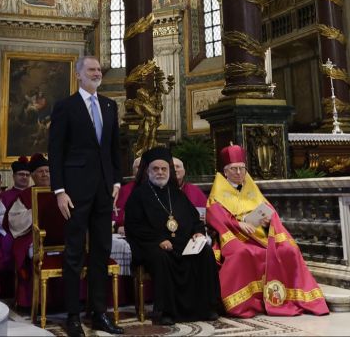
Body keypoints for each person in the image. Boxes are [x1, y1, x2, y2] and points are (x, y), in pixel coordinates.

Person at [48, 55, 124, 337]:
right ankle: (72, 317)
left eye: (99, 69)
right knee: (74, 253)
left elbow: (115, 148)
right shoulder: (65, 106)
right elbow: (55, 151)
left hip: (104, 190)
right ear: (78, 75)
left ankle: (99, 313)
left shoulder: (110, 105)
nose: (97, 73)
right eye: (91, 69)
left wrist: (117, 181)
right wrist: (59, 191)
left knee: (102, 251)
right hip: (75, 191)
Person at [207, 145, 330, 318]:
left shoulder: (251, 188)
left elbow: (269, 211)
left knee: (289, 250)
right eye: (234, 169)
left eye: (242, 168)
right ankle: (246, 302)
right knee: (242, 253)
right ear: (225, 172)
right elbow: (215, 216)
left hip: (262, 236)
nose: (239, 172)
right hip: (236, 237)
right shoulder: (218, 193)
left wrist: (267, 221)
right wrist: (238, 224)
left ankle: (291, 297)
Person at [124, 147, 221, 325]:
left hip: (182, 243)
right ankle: (166, 311)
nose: (160, 172)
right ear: (147, 171)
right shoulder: (139, 195)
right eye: (155, 169)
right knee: (161, 257)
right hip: (153, 245)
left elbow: (194, 219)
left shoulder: (176, 193)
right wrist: (158, 240)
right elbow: (134, 226)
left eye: (164, 169)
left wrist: (198, 232)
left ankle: (206, 307)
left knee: (206, 252)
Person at [5, 153, 51, 307]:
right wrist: (37, 212)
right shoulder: (25, 195)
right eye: (40, 171)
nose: (45, 174)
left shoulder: (60, 193)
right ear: (33, 175)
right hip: (32, 236)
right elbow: (15, 221)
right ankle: (33, 301)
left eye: (47, 171)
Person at [113, 157, 141, 235]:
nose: (141, 169)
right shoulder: (122, 191)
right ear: (133, 171)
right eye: (138, 167)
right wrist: (118, 227)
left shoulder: (158, 189)